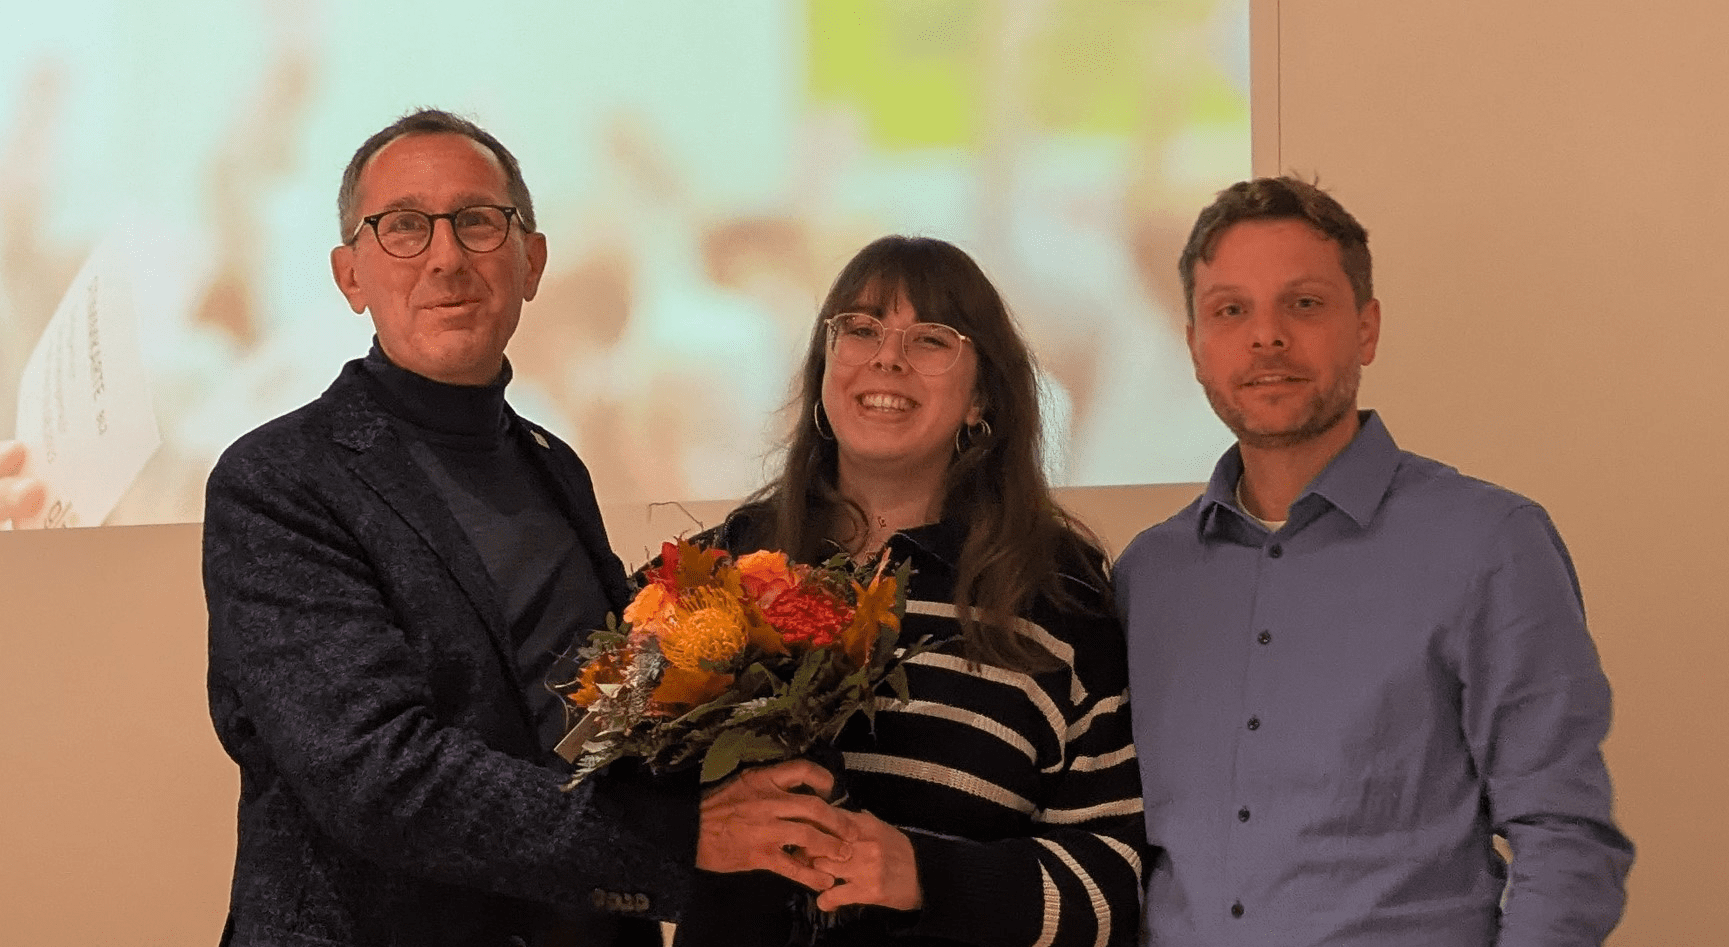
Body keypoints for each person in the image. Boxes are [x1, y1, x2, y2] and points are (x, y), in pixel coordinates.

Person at [202, 108, 851, 947]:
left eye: (477, 221)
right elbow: (380, 776)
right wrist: (681, 836)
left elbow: (590, 716)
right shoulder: (279, 479)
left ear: (531, 261)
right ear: (349, 274)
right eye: (403, 227)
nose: (446, 257)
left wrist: (746, 654)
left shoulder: (553, 463)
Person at [1115, 176, 1633, 946]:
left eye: (1303, 303)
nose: (1266, 336)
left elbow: (1566, 838)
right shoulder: (1147, 576)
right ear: (1194, 345)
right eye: (1230, 310)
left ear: (1366, 328)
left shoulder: (1490, 544)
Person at [674, 235, 1146, 946]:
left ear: (981, 398)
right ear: (825, 368)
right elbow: (612, 824)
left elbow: (1113, 883)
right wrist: (693, 825)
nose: (886, 357)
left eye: (930, 339)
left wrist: (928, 875)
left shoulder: (1056, 593)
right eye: (860, 329)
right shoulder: (721, 568)